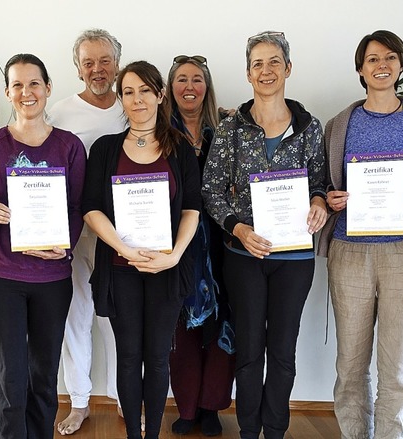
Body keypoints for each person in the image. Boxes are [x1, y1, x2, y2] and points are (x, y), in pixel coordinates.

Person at [317, 30, 403, 439]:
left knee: (398, 366)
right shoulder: (340, 124)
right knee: (350, 366)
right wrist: (330, 198)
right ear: (360, 69)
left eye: (390, 57)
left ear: (401, 65)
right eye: (372, 59)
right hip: (350, 253)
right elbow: (321, 184)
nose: (382, 65)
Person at [202, 31, 327, 439]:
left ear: (288, 68)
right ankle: (248, 432)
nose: (266, 70)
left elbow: (320, 183)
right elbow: (211, 189)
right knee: (250, 350)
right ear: (248, 74)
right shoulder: (231, 127)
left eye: (274, 62)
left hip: (294, 260)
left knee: (283, 352)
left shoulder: (309, 127)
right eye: (258, 64)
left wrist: (320, 203)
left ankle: (275, 431)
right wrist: (238, 228)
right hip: (244, 258)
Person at [82, 60, 200, 439]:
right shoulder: (104, 149)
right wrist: (125, 249)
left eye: (145, 91)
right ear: (121, 98)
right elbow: (91, 208)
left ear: (160, 95)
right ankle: (133, 433)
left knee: (158, 357)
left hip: (167, 268)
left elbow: (192, 209)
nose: (137, 100)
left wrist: (175, 255)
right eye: (128, 92)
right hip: (120, 269)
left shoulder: (180, 149)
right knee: (129, 357)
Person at [0, 53, 86, 439]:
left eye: (34, 83)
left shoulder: (69, 147)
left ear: (48, 88)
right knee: (8, 374)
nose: (26, 92)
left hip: (53, 277)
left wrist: (63, 245)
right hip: (1, 275)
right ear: (6, 92)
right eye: (17, 85)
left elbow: (77, 208)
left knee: (43, 372)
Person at [47, 28, 126, 435]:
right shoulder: (58, 112)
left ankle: (123, 398)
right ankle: (79, 402)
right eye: (88, 62)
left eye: (105, 60)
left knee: (119, 316)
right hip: (74, 230)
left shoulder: (133, 104)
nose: (97, 69)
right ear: (77, 68)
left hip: (125, 234)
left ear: (117, 62)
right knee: (75, 316)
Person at [166, 55, 235, 436]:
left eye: (196, 79)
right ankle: (188, 407)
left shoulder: (226, 129)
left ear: (206, 87)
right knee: (181, 326)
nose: (189, 86)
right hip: (177, 242)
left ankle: (211, 407)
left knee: (224, 321)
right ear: (170, 88)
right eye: (181, 79)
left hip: (224, 240)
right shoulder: (159, 131)